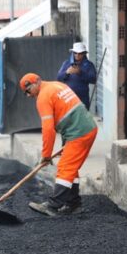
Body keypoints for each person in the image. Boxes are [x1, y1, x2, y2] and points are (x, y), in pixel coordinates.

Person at [19, 73, 98, 216]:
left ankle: (53, 205)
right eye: (25, 94)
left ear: (36, 82)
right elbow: (66, 112)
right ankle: (74, 204)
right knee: (71, 167)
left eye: (28, 91)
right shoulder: (57, 85)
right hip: (86, 128)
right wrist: (65, 142)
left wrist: (46, 155)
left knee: (65, 167)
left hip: (79, 132)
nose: (28, 95)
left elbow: (48, 129)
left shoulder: (43, 98)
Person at [56, 42, 97, 110]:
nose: (77, 55)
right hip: (68, 98)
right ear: (72, 52)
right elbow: (58, 78)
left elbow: (93, 79)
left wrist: (80, 73)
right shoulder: (66, 63)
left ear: (84, 53)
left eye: (80, 53)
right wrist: (67, 72)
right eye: (75, 53)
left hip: (82, 99)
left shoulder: (89, 65)